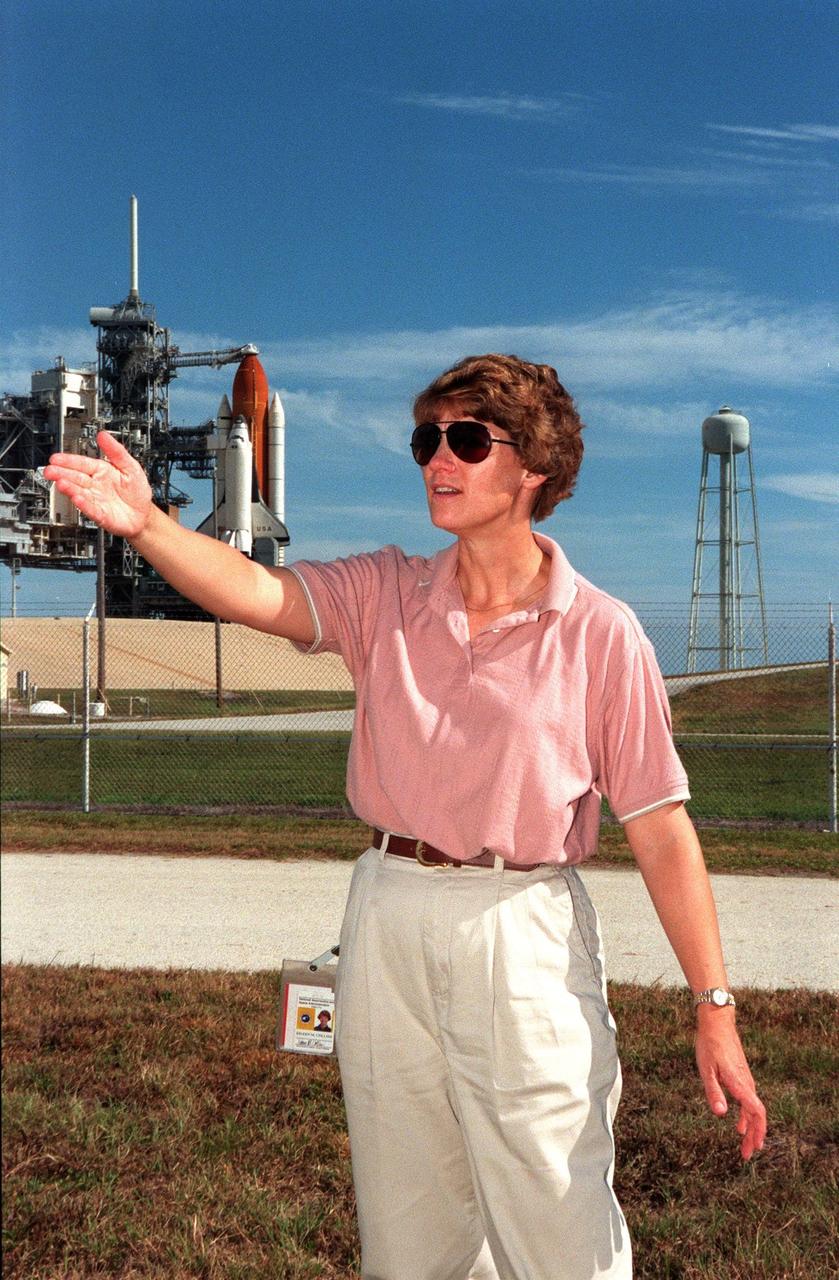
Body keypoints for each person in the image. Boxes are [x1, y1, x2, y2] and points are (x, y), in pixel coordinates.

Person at [46, 353, 766, 1280]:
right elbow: (260, 594)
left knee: (556, 1218)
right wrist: (144, 524)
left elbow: (661, 828)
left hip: (520, 929)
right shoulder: (384, 590)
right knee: (408, 1226)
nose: (438, 459)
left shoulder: (600, 633)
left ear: (534, 468)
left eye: (467, 440)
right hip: (385, 913)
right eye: (428, 439)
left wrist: (714, 1008)